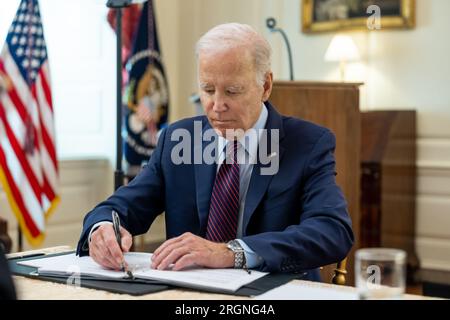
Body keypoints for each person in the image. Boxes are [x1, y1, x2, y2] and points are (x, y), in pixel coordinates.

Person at [77, 23, 353, 281]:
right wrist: (101, 228)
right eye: (207, 90)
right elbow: (120, 207)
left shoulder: (308, 143)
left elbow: (333, 231)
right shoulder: (177, 139)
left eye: (232, 91)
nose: (217, 105)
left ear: (265, 86)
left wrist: (231, 252)